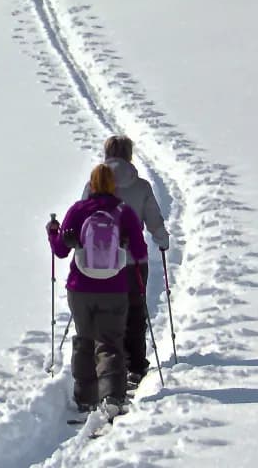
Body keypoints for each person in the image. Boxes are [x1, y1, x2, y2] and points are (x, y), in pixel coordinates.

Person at [48, 162, 147, 414]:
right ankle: (113, 396)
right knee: (110, 342)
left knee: (84, 340)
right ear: (114, 185)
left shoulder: (78, 210)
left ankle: (85, 398)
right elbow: (140, 252)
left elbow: (60, 250)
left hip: (80, 287)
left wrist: (53, 233)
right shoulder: (124, 212)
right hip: (114, 287)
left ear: (91, 184)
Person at [83, 135, 171, 387]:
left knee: (105, 313)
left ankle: (109, 366)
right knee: (134, 311)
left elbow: (81, 215)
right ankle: (135, 365)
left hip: (101, 261)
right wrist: (162, 239)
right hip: (134, 260)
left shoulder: (94, 184)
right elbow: (154, 219)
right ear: (130, 155)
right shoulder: (141, 186)